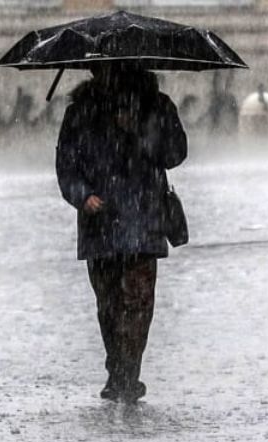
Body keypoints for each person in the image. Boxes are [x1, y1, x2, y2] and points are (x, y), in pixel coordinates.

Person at [56, 63, 188, 403]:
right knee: (109, 303)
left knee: (139, 301)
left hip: (144, 218)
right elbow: (66, 165)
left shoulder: (158, 106)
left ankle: (128, 373)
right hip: (100, 223)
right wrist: (83, 196)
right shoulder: (81, 113)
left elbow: (175, 155)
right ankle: (118, 366)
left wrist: (141, 132)